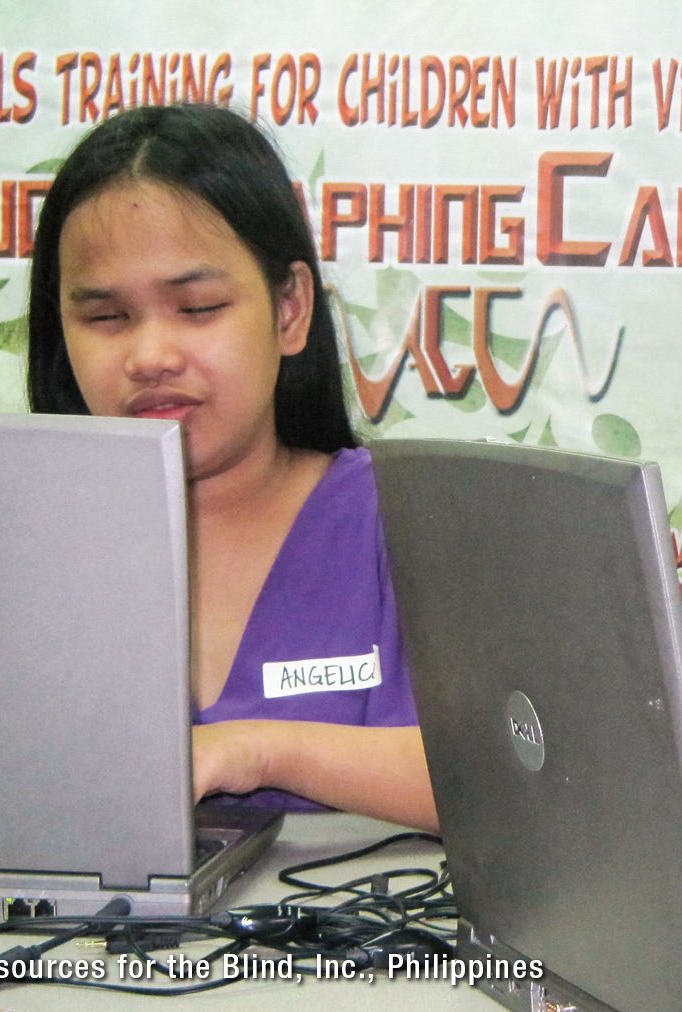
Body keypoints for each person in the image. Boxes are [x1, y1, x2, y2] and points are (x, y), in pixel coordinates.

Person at [24, 103, 437, 831]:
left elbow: (528, 782)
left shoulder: (406, 521)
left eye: (198, 307)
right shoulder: (18, 548)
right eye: (106, 319)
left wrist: (257, 751)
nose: (151, 356)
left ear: (290, 311)